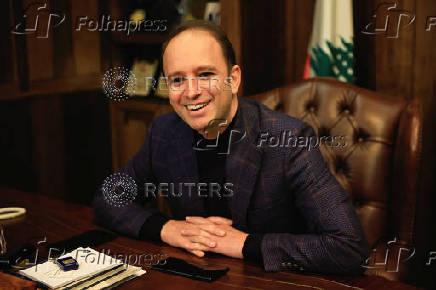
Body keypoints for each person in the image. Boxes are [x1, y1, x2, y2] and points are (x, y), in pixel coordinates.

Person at [94, 20, 369, 274]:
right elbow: (108, 198)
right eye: (177, 80)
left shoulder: (288, 139)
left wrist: (244, 244)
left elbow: (348, 246)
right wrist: (167, 228)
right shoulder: (163, 132)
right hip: (194, 275)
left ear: (233, 79)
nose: (191, 92)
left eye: (205, 74)